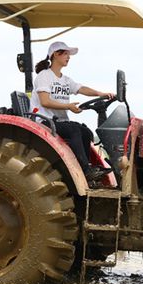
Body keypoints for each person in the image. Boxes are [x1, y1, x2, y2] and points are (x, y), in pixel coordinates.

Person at [30, 41, 114, 182]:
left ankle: (88, 169)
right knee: (74, 130)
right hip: (45, 121)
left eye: (69, 55)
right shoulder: (44, 76)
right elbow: (45, 101)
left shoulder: (65, 80)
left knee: (86, 132)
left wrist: (102, 94)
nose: (68, 57)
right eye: (66, 54)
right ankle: (85, 170)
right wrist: (68, 106)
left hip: (59, 122)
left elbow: (82, 89)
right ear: (56, 54)